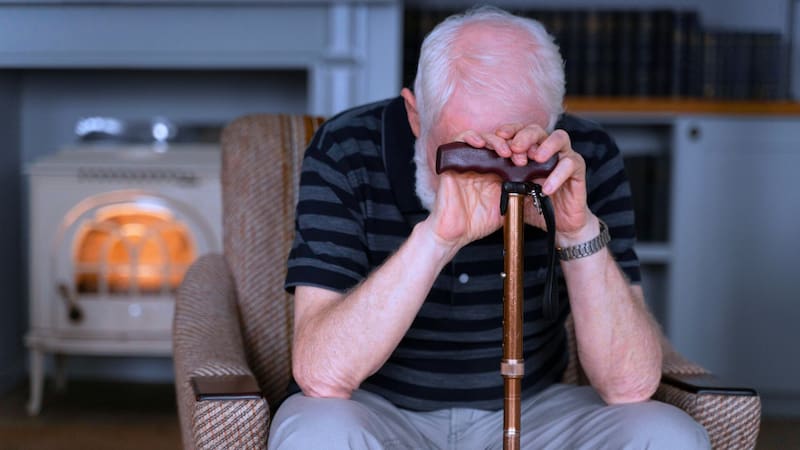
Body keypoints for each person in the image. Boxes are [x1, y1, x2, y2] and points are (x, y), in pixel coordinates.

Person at [269, 6, 709, 449]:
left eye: (513, 155)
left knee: (666, 435)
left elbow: (629, 386)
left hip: (537, 408)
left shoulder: (584, 157)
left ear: (554, 119)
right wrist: (437, 238)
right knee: (316, 434)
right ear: (416, 116)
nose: (490, 175)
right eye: (466, 152)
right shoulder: (347, 148)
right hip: (377, 408)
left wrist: (577, 232)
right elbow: (321, 374)